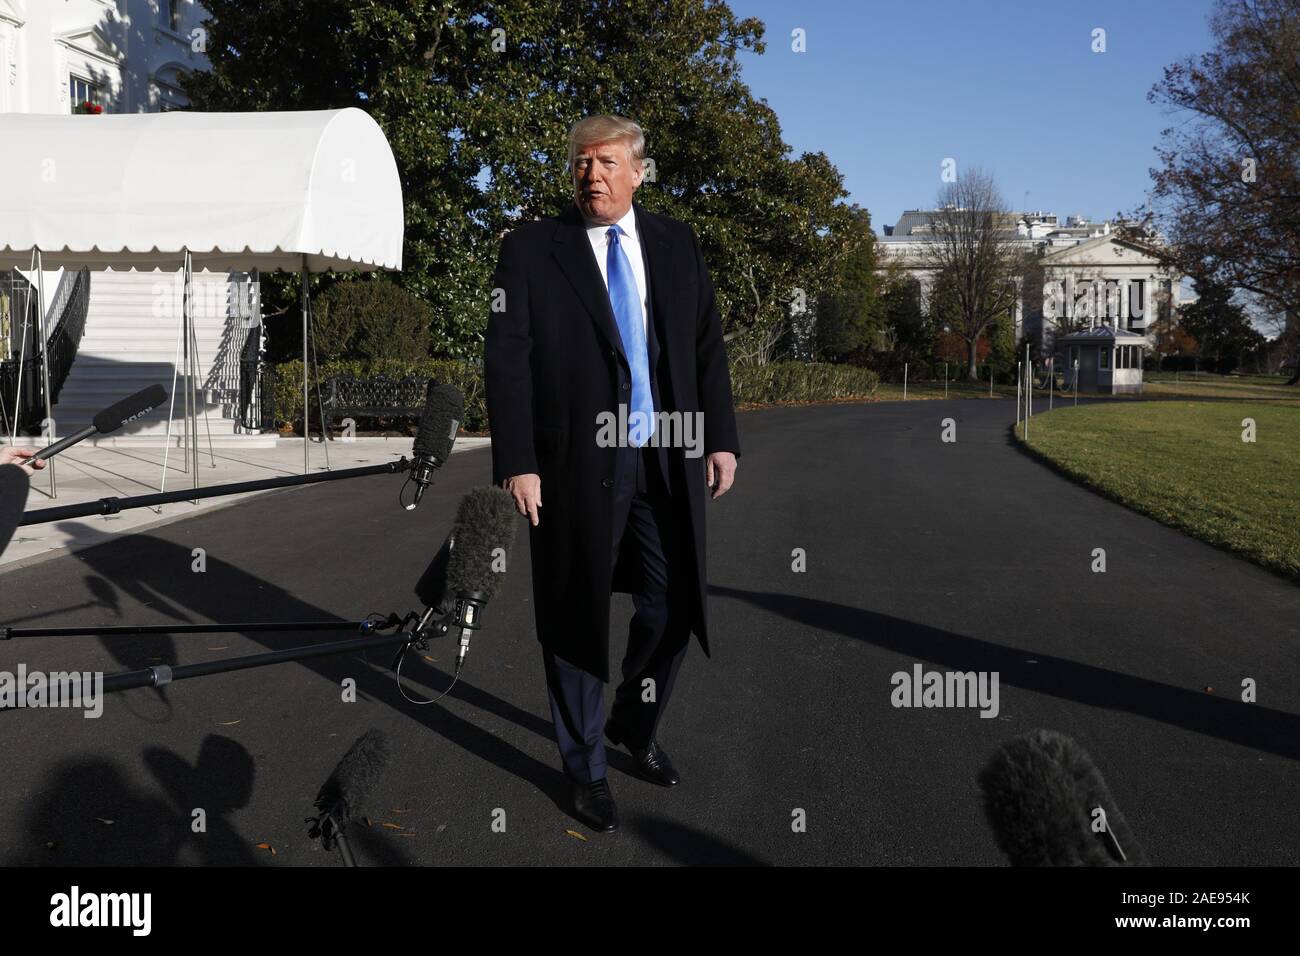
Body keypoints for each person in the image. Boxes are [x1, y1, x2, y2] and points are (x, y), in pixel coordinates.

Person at [484, 115, 740, 832]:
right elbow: (505, 360)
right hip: (573, 461)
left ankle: (634, 719)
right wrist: (519, 462)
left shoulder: (676, 244)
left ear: (637, 171)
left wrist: (721, 439)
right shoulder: (533, 250)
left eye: (603, 163)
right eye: (579, 163)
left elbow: (705, 348)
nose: (589, 174)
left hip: (667, 449)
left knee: (672, 605)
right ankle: (585, 765)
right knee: (575, 612)